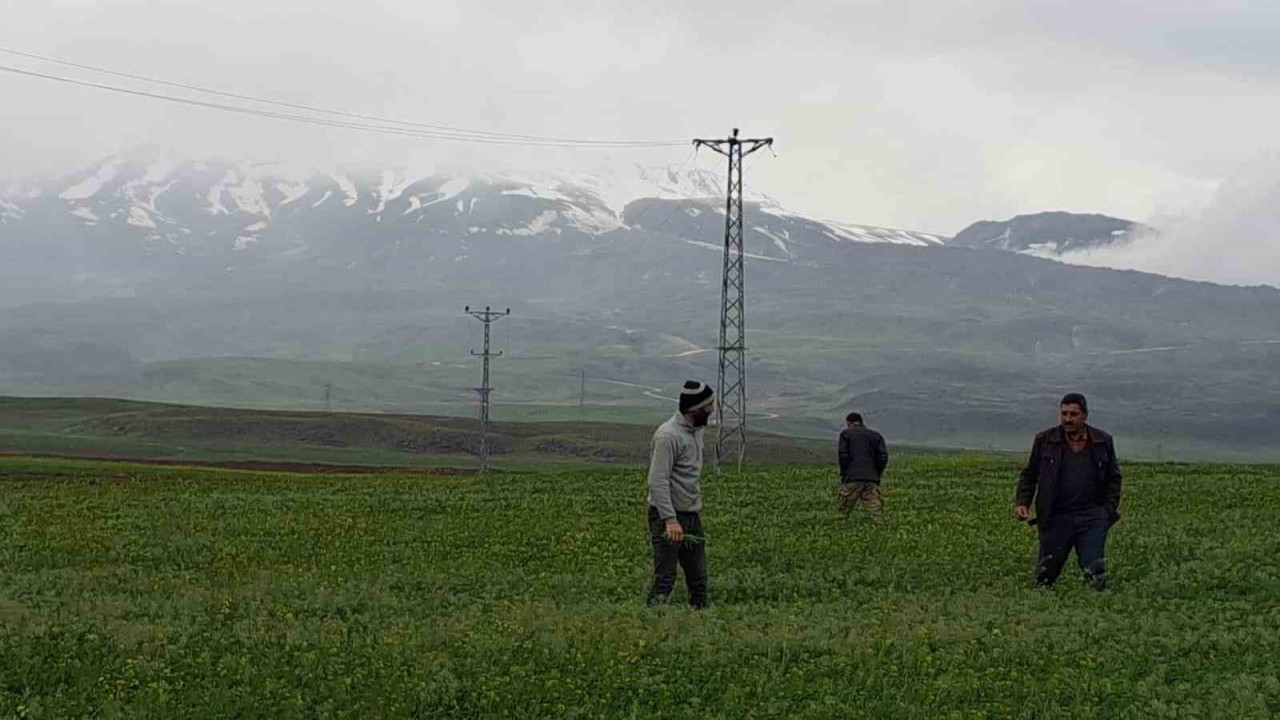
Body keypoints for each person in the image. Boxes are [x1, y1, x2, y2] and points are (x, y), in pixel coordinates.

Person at [1014, 393, 1123, 590]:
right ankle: (1042, 610)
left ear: (1085, 416)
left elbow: (1113, 478)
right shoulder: (1045, 440)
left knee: (1094, 569)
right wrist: (1023, 502)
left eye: (1073, 414)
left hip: (1092, 516)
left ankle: (1097, 609)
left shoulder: (1102, 441)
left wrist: (1107, 511)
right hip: (1055, 516)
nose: (1067, 419)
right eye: (1064, 414)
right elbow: (1030, 475)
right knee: (1045, 574)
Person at [645, 380, 714, 608]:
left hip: (691, 514)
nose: (712, 410)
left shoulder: (696, 431)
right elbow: (657, 481)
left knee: (699, 579)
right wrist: (670, 520)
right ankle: (651, 622)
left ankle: (700, 621)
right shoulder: (668, 436)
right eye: (709, 405)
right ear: (694, 409)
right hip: (669, 517)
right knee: (665, 578)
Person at [836, 412, 889, 522]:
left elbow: (843, 455)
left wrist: (845, 473)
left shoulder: (846, 434)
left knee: (844, 507)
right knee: (874, 505)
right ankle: (879, 525)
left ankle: (838, 528)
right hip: (871, 477)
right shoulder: (876, 435)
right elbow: (883, 457)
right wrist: (877, 473)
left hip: (853, 476)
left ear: (849, 423)